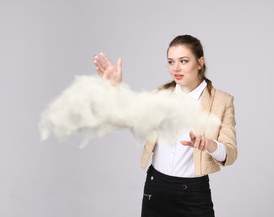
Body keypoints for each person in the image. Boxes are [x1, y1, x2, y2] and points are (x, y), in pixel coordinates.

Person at [93, 35, 237, 217]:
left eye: (183, 61)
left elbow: (230, 154)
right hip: (156, 188)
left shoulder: (222, 101)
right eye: (171, 62)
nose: (175, 68)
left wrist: (209, 144)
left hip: (193, 194)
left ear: (200, 63)